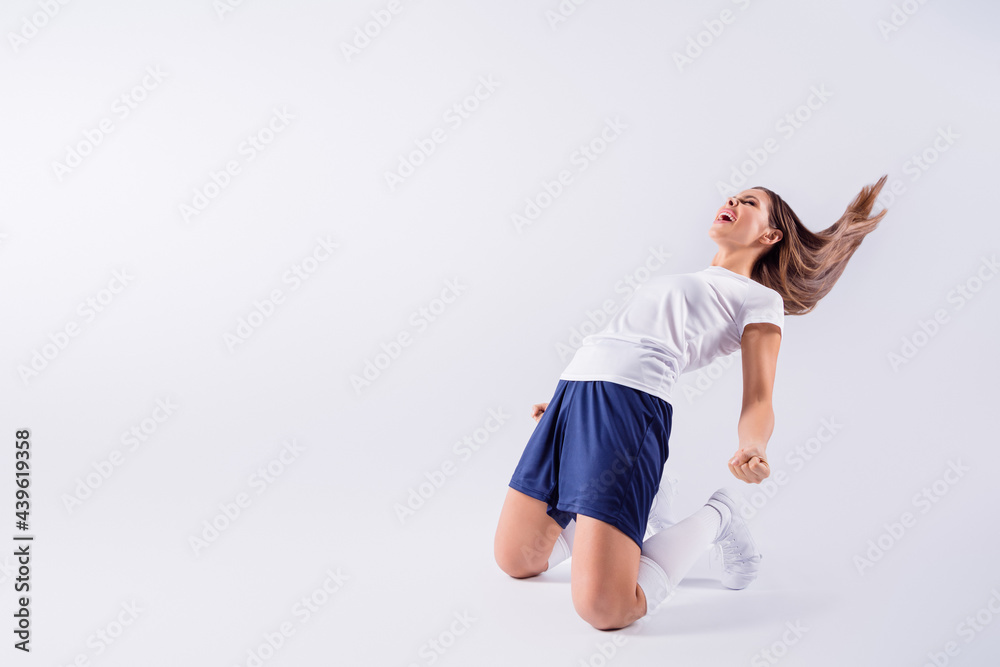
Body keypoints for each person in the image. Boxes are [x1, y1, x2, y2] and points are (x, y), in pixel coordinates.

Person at [493, 176, 889, 630]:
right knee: (517, 559)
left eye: (749, 202)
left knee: (607, 608)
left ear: (771, 235)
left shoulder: (760, 299)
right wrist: (569, 411)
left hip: (630, 406)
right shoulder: (684, 279)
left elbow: (759, 395)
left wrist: (754, 444)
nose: (732, 201)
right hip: (576, 393)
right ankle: (639, 499)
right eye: (731, 196)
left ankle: (718, 516)